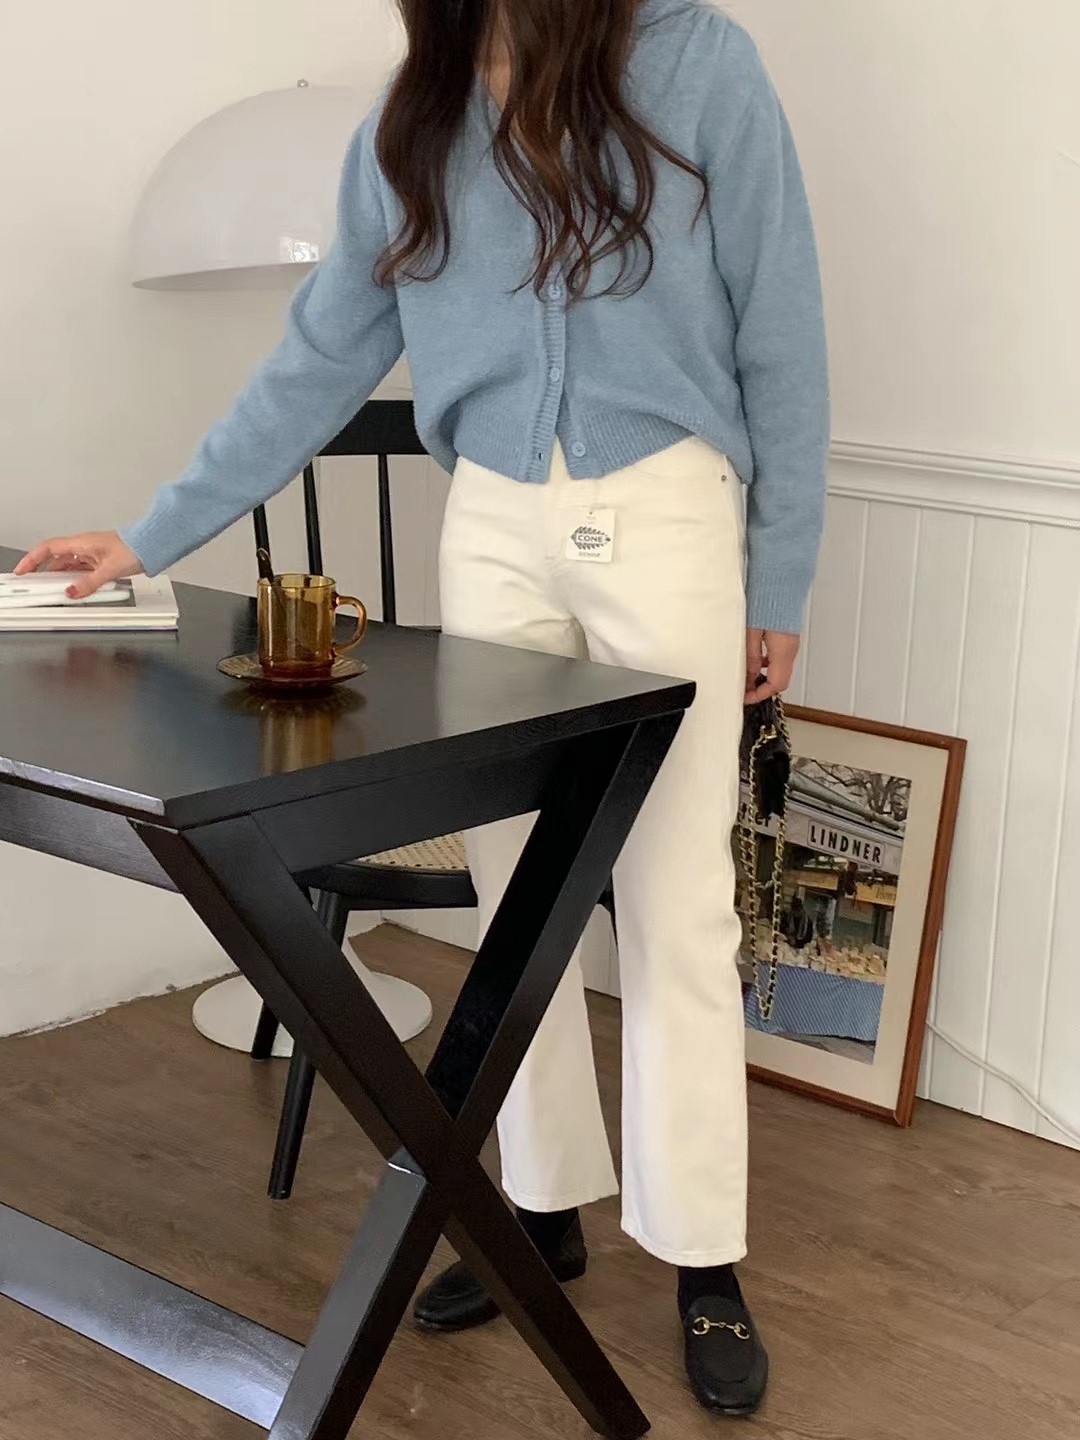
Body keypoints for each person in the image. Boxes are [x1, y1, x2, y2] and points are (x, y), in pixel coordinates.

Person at [18, 0, 828, 1414]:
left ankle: (704, 1255)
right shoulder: (416, 112)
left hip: (671, 513)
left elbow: (784, 326)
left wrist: (784, 571)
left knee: (678, 900)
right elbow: (318, 357)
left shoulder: (699, 59)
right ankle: (541, 1206)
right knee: (520, 895)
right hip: (494, 527)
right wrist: (151, 535)